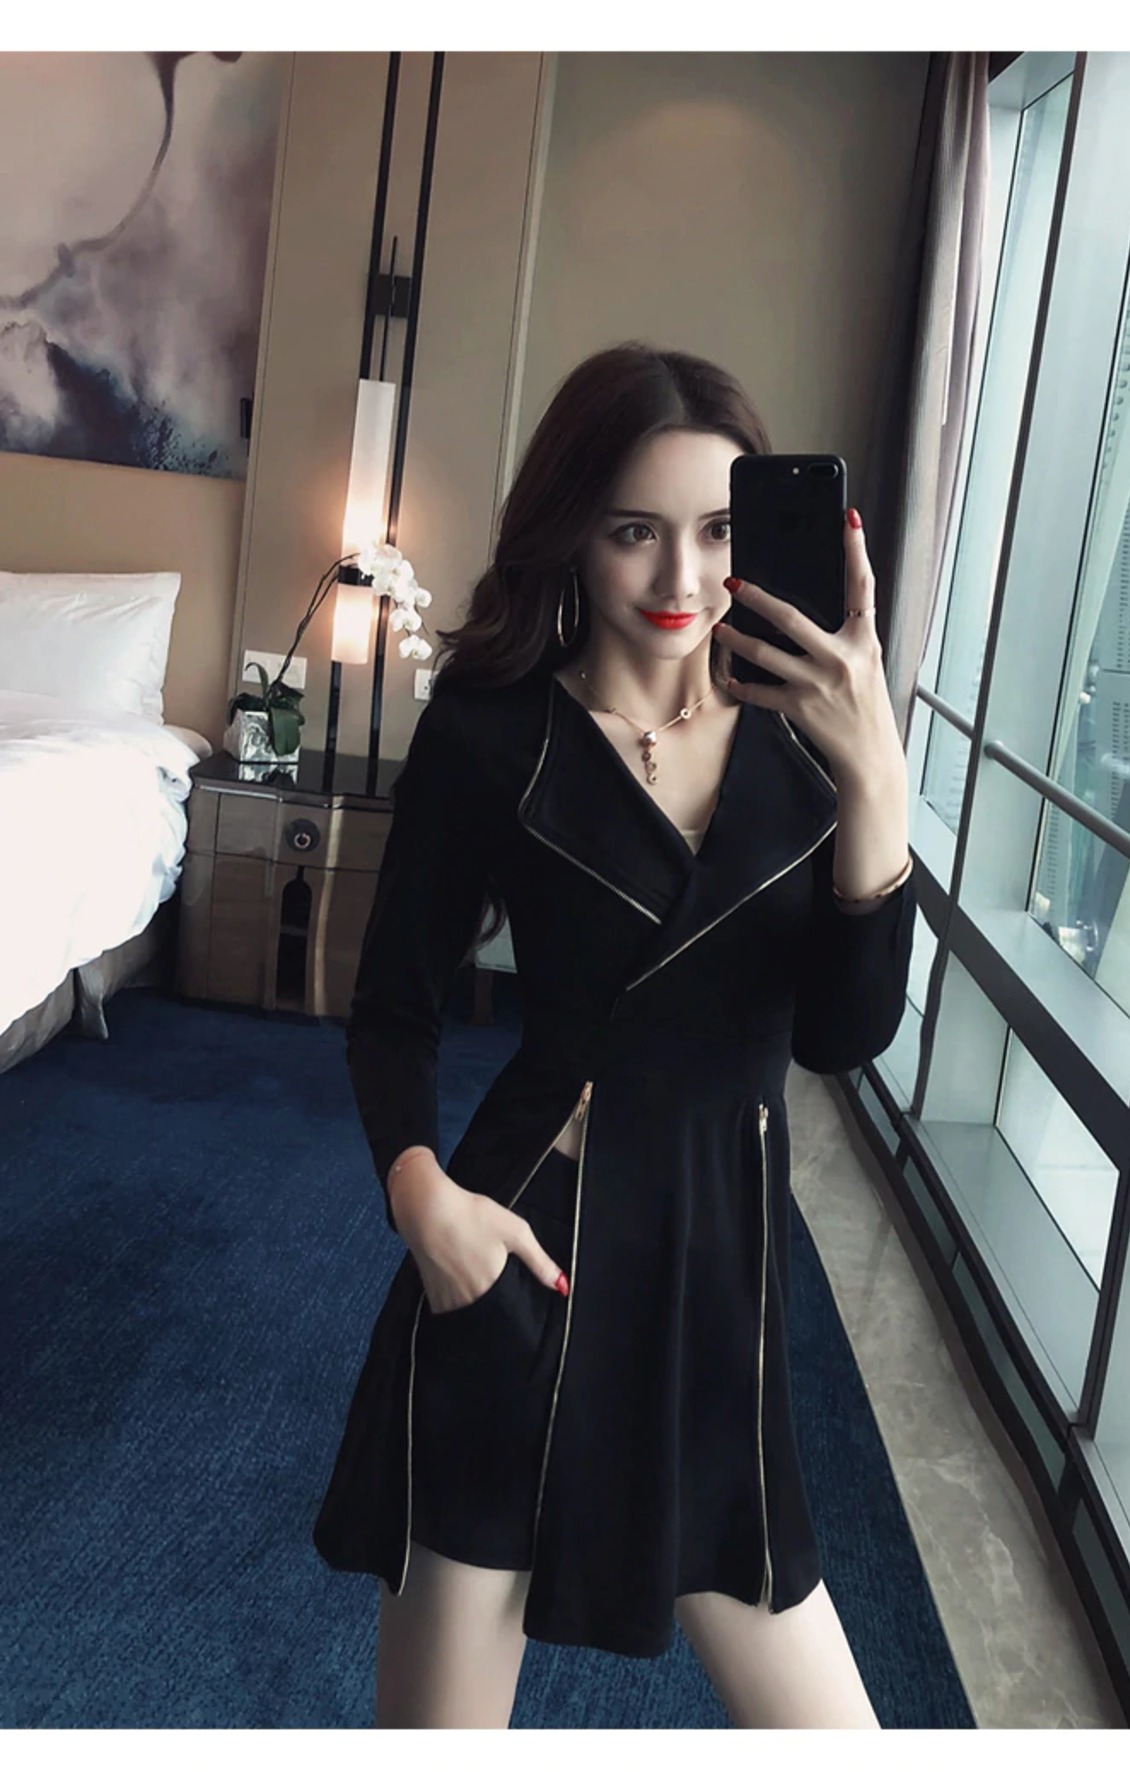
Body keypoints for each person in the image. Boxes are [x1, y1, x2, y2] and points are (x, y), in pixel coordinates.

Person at [312, 341, 917, 1728]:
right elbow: (393, 1006)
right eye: (634, 531)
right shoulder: (493, 732)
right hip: (528, 1257)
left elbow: (843, 1036)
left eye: (716, 532)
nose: (680, 578)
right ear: (573, 535)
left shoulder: (810, 741)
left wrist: (878, 773)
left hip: (717, 1287)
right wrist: (424, 1202)